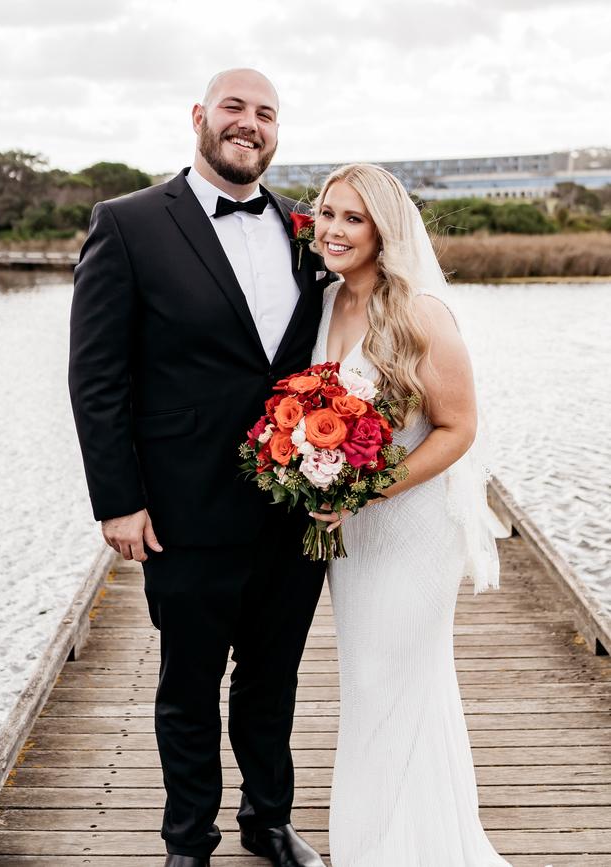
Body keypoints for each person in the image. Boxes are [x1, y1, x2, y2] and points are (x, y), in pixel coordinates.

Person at [68, 69, 329, 867]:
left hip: (295, 506)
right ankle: (189, 841)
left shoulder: (308, 229)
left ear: (278, 132)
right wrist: (118, 500)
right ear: (199, 118)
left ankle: (269, 819)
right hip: (184, 508)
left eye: (266, 115)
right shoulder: (128, 222)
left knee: (272, 680)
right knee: (188, 686)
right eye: (234, 109)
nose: (249, 125)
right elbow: (97, 374)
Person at [309, 164, 510, 866]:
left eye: (352, 218)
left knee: (388, 679)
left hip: (413, 530)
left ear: (383, 230)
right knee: (373, 682)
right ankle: (403, 840)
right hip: (353, 540)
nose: (333, 228)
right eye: (327, 212)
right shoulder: (329, 304)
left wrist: (365, 491)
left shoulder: (421, 311)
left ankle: (383, 850)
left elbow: (458, 428)